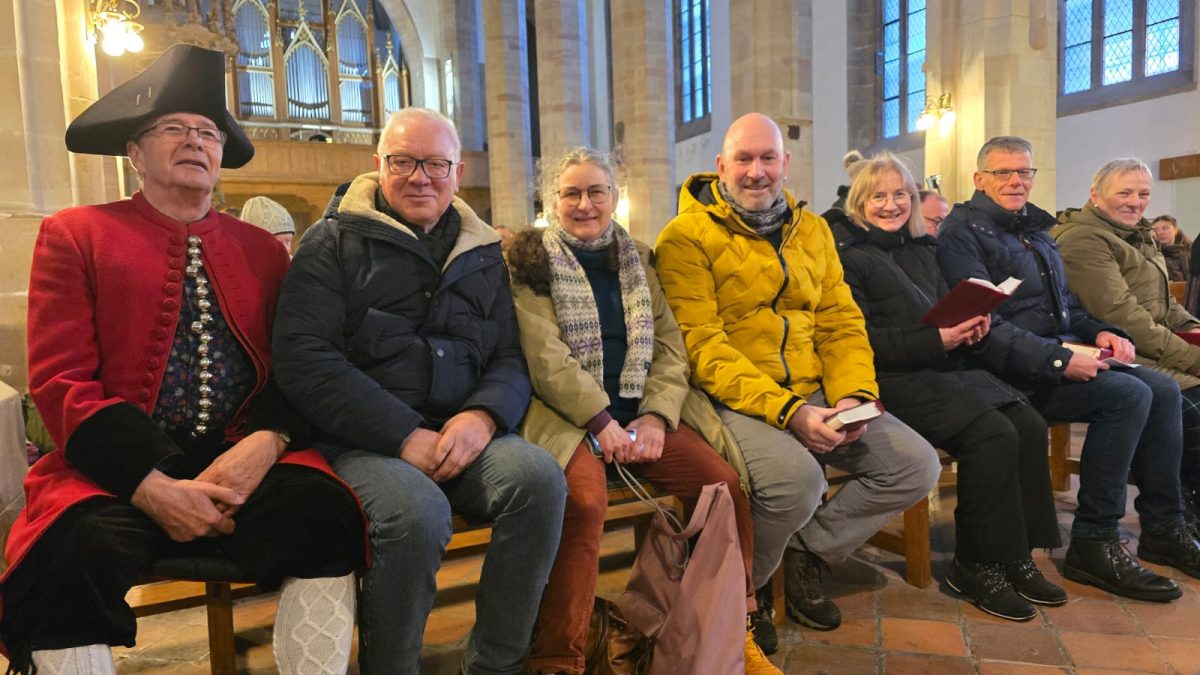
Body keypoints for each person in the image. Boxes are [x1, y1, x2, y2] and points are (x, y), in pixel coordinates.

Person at [0, 45, 364, 675]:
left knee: (327, 517)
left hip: (240, 455)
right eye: (175, 129)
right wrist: (150, 485)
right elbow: (61, 380)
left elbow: (298, 364)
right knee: (69, 548)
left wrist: (268, 443)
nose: (196, 141)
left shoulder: (265, 251)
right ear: (135, 152)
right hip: (115, 465)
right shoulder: (76, 232)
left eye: (209, 132)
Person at [271, 107, 567, 675]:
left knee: (538, 480)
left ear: (456, 172)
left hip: (460, 429)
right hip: (361, 439)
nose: (420, 176)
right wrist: (402, 433)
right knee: (417, 513)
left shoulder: (482, 254)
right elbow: (305, 360)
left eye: (435, 164)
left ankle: (496, 665)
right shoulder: (331, 243)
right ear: (378, 165)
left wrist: (483, 416)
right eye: (403, 161)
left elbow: (508, 355)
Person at [655, 113, 941, 649]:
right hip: (733, 398)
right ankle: (742, 592)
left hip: (816, 389)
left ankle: (804, 552)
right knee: (797, 482)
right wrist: (791, 413)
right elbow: (702, 346)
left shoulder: (812, 231)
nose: (756, 171)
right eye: (744, 159)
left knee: (913, 465)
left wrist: (854, 395)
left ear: (787, 164)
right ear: (720, 167)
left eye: (768, 158)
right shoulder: (685, 236)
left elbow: (840, 321)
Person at [507, 147, 779, 674]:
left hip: (640, 417)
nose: (585, 204)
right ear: (551, 201)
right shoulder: (528, 264)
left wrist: (655, 416)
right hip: (567, 418)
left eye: (597, 191)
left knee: (720, 485)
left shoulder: (638, 258)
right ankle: (558, 657)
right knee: (583, 503)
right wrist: (601, 421)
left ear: (614, 196)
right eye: (571, 193)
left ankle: (732, 627)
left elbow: (671, 347)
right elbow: (546, 358)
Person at [937, 136, 1200, 602]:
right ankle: (1094, 541)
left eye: (1025, 172)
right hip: (1004, 371)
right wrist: (1060, 359)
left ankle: (1163, 526)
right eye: (1004, 172)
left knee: (1160, 389)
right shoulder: (962, 234)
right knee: (1130, 395)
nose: (1017, 181)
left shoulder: (1034, 231)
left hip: (1048, 356)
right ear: (979, 179)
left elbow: (1065, 309)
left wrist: (1099, 331)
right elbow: (985, 325)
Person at [832, 153, 1064, 620]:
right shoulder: (848, 259)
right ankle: (975, 564)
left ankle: (1016, 553)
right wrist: (936, 339)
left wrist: (971, 325)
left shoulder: (924, 248)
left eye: (900, 194)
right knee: (992, 435)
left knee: (1029, 423)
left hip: (947, 366)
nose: (891, 204)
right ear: (859, 202)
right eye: (878, 195)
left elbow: (946, 308)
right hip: (893, 379)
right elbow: (863, 342)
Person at [1052, 159, 1200, 534]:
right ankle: (1183, 505)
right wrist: (1196, 360)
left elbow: (1166, 307)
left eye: (1144, 194)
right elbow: (1126, 318)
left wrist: (1196, 331)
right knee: (1194, 403)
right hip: (1118, 353)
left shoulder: (1140, 233)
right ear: (1096, 195)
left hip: (1151, 346)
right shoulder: (1084, 239)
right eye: (1125, 192)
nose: (1136, 202)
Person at [1150, 214, 1191, 282]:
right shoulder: (1151, 254)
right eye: (1156, 229)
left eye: (1165, 228)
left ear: (1175, 230)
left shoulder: (1191, 250)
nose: (1160, 233)